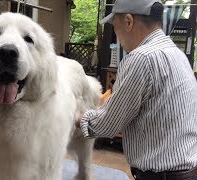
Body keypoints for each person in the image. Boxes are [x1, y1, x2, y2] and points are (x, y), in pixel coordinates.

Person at [76, 0, 197, 179]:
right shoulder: (177, 54)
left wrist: (79, 117)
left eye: (115, 26)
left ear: (128, 21)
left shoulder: (141, 58)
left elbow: (108, 124)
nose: (117, 36)